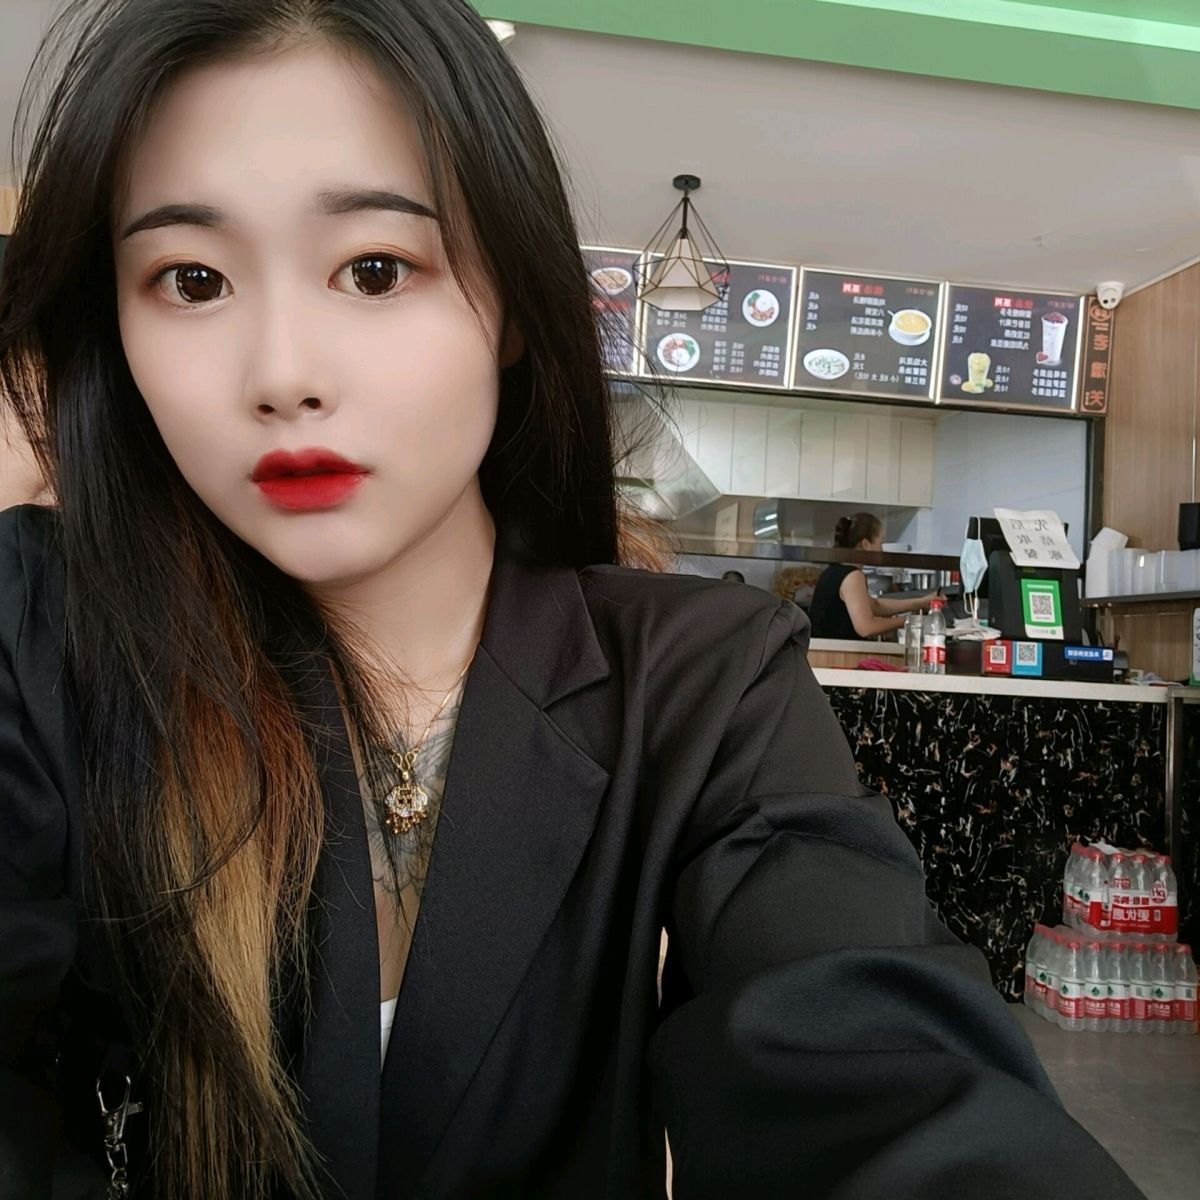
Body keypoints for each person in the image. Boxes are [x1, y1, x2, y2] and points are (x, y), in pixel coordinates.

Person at [0, 3, 1142, 1198]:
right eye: (192, 280)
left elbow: (867, 1055)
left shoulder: (700, 680)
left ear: (510, 303)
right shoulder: (47, 639)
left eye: (375, 269)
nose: (282, 374)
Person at [810, 511, 933, 640]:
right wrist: (911, 621)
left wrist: (921, 602)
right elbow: (866, 628)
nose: (882, 550)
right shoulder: (852, 576)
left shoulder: (833, 571)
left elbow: (874, 605)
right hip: (837, 651)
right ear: (866, 544)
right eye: (880, 542)